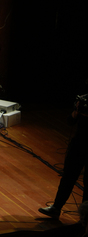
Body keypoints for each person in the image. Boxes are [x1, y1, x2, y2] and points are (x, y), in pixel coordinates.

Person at [39, 88, 88, 219]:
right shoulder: (84, 100)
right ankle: (56, 207)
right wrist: (76, 112)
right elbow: (69, 121)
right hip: (79, 144)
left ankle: (84, 217)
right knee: (68, 177)